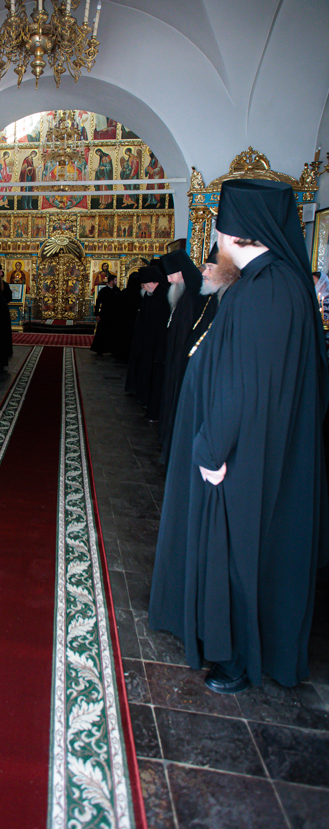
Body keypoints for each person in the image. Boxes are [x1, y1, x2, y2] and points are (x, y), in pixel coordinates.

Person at [150, 179, 329, 692]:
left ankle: (238, 659)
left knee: (240, 552)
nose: (218, 242)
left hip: (242, 457)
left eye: (221, 232)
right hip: (256, 448)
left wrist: (211, 448)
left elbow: (242, 382)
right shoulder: (274, 283)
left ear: (238, 234)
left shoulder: (264, 289)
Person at [157, 248, 203, 457]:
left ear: (183, 273)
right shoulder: (181, 295)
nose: (168, 279)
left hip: (182, 360)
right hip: (173, 358)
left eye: (171, 274)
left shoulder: (192, 298)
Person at [125, 263, 170, 421]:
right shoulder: (153, 296)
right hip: (147, 344)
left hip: (154, 347)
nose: (143, 288)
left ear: (153, 282)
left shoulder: (162, 297)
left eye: (144, 285)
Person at [90, 272, 121, 354]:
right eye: (115, 280)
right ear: (111, 281)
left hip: (115, 315)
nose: (116, 282)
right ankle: (99, 349)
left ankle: (112, 350)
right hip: (105, 314)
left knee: (113, 333)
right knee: (102, 333)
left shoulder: (117, 290)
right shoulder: (104, 291)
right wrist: (97, 314)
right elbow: (98, 302)